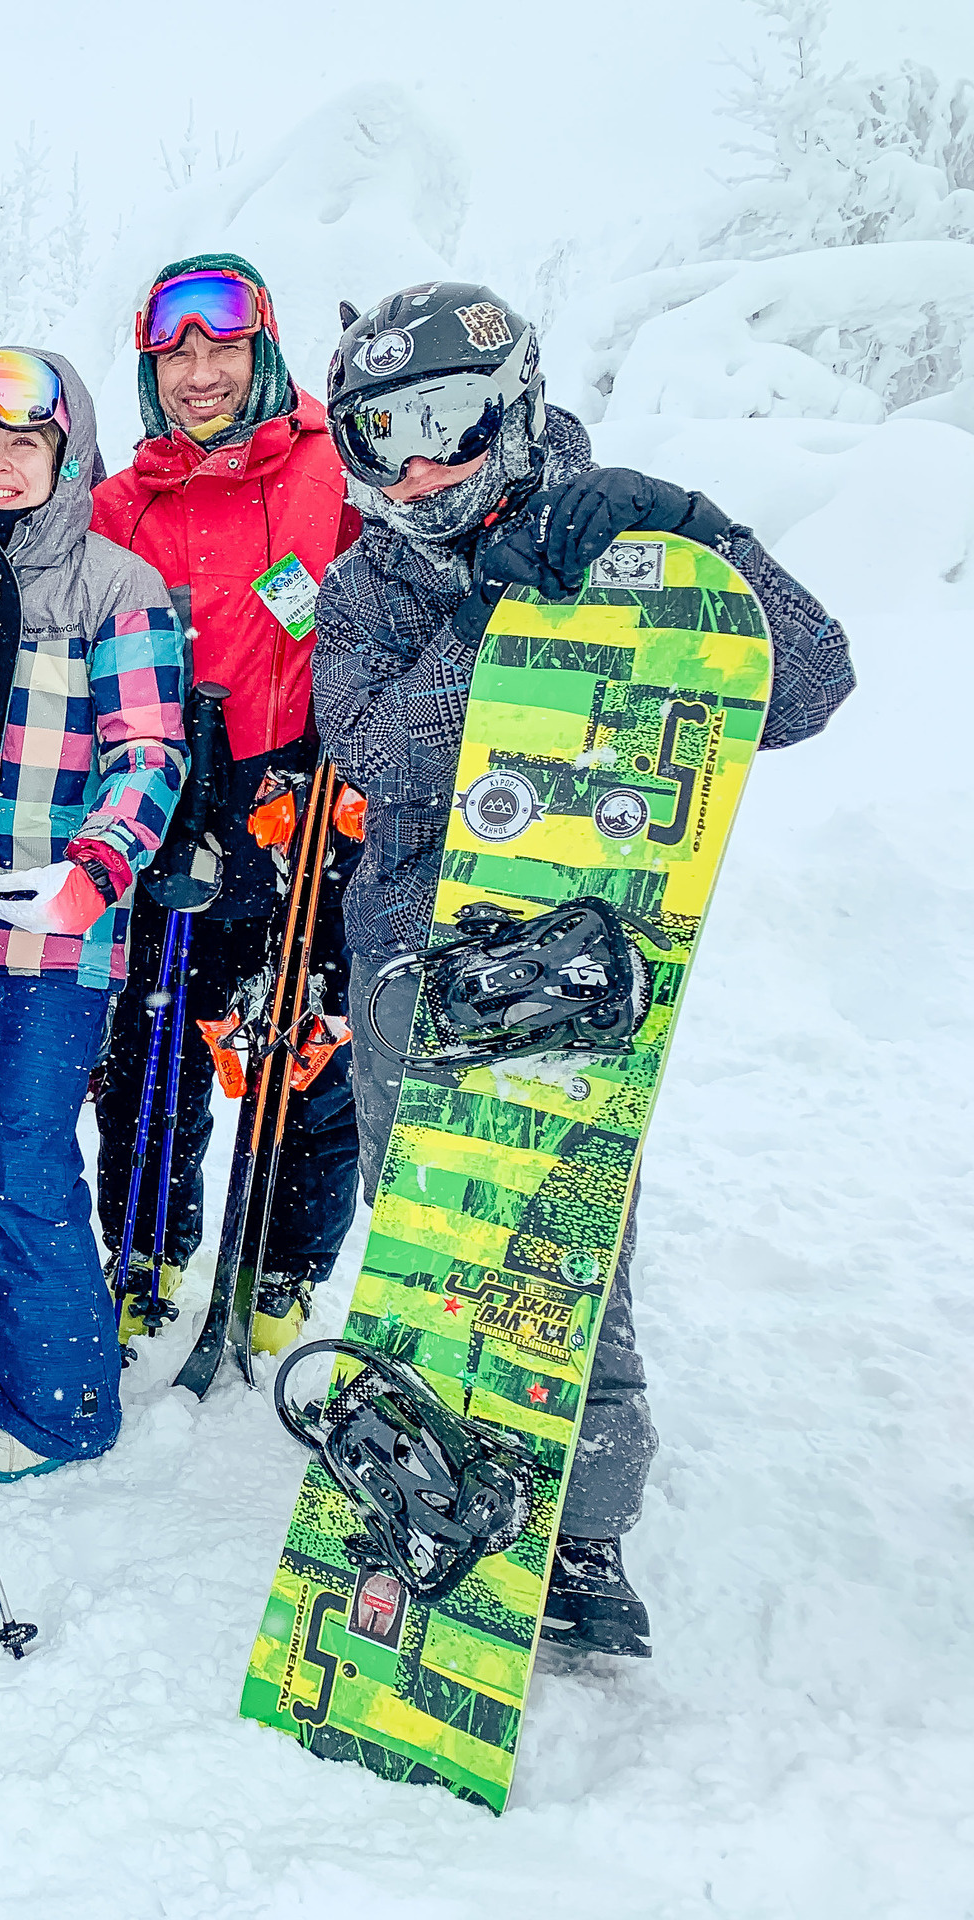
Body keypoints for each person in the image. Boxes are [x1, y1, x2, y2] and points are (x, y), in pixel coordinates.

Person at [313, 279, 856, 1657]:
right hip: (419, 953)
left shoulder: (626, 523)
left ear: (513, 401)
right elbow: (372, 751)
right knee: (432, 1225)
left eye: (441, 423)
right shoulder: (368, 582)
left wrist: (695, 541)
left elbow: (805, 684)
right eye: (379, 439)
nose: (417, 467)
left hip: (582, 943)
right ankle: (432, 1483)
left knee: (563, 1226)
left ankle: (586, 1525)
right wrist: (497, 614)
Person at [0, 349, 188, 1486]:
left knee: (25, 1151)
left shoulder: (112, 588)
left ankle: (66, 1401)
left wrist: (96, 868)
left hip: (52, 923)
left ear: (62, 456)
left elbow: (149, 754)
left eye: (18, 446)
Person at [88, 254, 362, 1355]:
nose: (201, 373)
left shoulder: (332, 465)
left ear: (264, 347)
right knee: (152, 1042)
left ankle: (280, 1265)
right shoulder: (114, 503)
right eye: (176, 354)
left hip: (297, 794)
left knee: (300, 1048)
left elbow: (448, 508)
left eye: (223, 347)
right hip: (162, 797)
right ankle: (147, 1245)